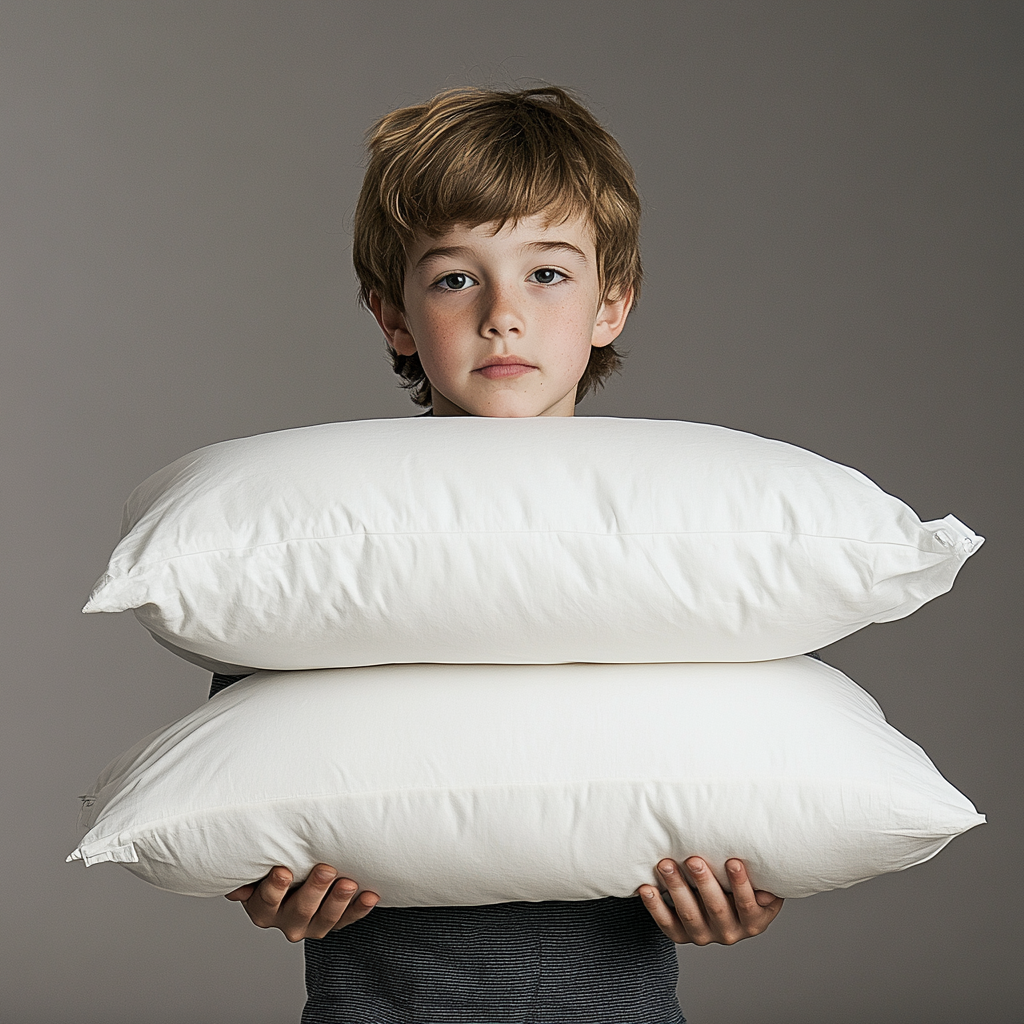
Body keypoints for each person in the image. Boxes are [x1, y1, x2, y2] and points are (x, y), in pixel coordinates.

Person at [215, 86, 784, 1024]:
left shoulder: (674, 547)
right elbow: (255, 762)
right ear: (392, 318)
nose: (502, 314)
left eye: (548, 274)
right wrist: (265, 880)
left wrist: (739, 887)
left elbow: (736, 758)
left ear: (613, 303)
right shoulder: (327, 539)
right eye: (453, 278)